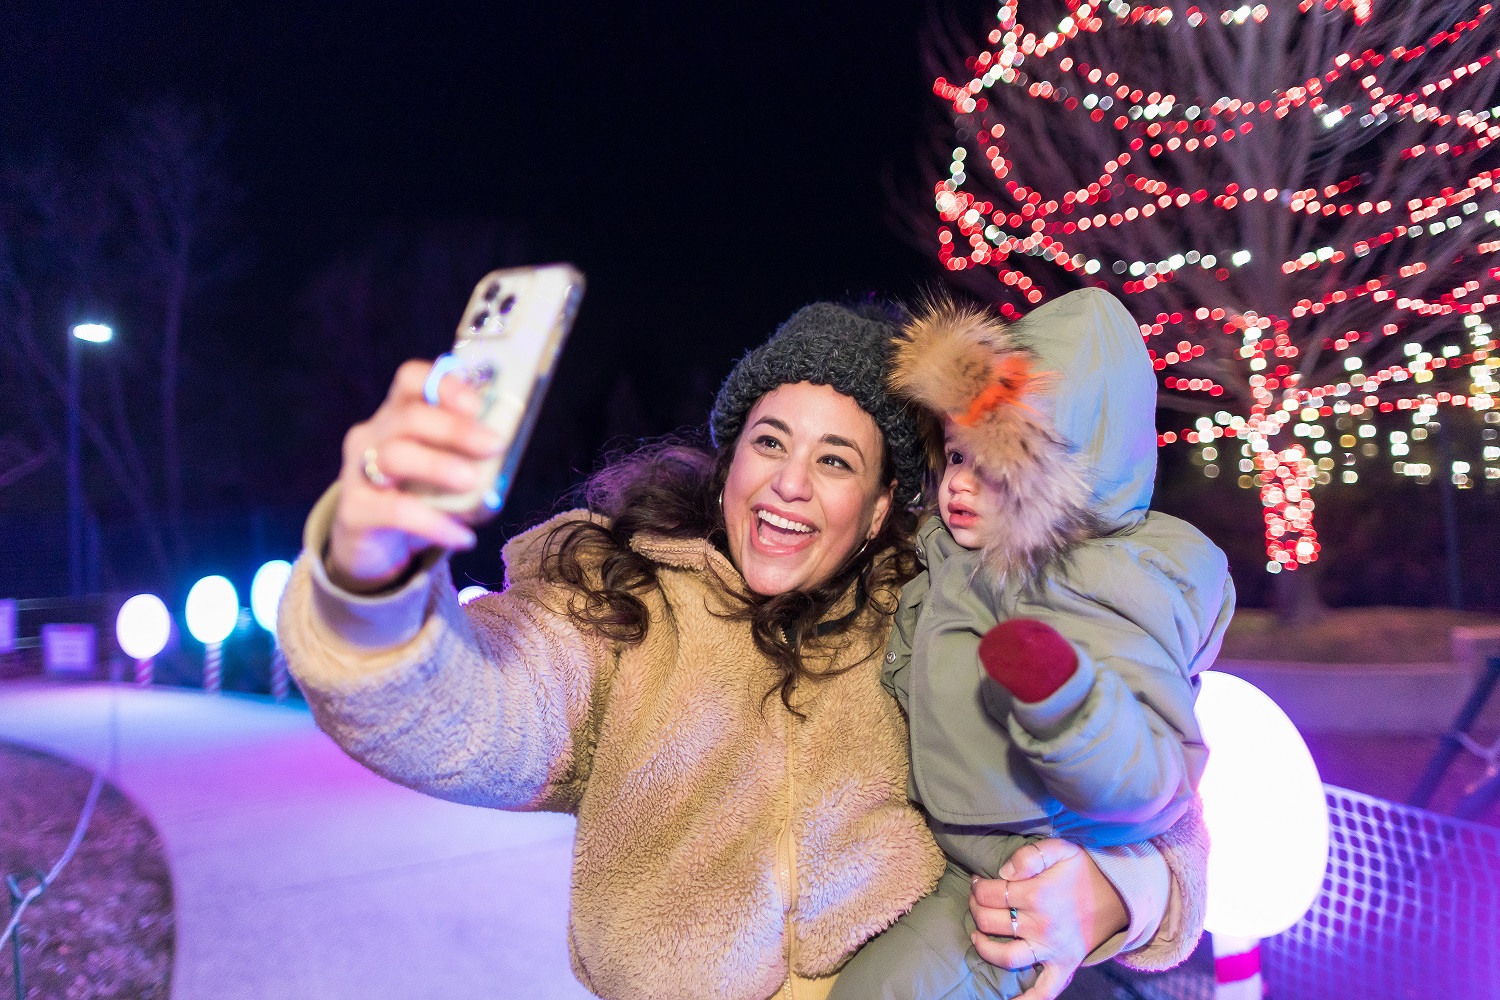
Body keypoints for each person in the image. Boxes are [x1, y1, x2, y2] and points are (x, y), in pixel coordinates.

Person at [278, 300, 1210, 1000]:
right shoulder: (626, 606)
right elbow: (465, 710)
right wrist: (370, 575)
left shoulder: (935, 612)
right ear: (730, 464)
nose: (790, 485)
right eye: (771, 442)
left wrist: (1111, 896)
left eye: (837, 460)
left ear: (884, 504)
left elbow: (1158, 801)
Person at [828, 290, 1233, 1000]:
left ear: (1061, 480)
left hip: (1014, 872)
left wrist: (1063, 699)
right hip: (955, 849)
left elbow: (1153, 777)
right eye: (955, 455)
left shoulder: (1099, 584)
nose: (958, 484)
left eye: (995, 466)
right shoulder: (948, 558)